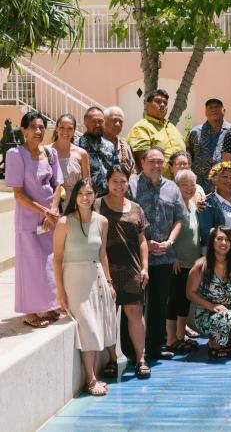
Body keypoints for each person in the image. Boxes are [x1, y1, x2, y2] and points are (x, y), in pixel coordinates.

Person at [53, 178, 117, 395]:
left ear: (95, 195)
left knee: (98, 325)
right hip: (75, 279)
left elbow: (103, 254)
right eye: (81, 193)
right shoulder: (65, 222)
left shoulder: (102, 222)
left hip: (97, 277)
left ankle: (94, 377)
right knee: (88, 326)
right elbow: (57, 258)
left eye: (89, 193)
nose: (85, 197)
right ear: (75, 196)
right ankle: (90, 380)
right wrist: (60, 290)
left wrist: (109, 282)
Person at [128, 147, 187, 359]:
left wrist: (170, 242)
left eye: (160, 162)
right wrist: (144, 241)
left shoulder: (172, 187)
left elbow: (180, 218)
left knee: (160, 303)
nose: (156, 166)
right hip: (137, 257)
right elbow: (125, 218)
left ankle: (156, 346)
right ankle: (132, 350)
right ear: (142, 162)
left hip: (164, 256)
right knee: (135, 305)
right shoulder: (131, 186)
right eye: (152, 161)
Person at [7, 111, 63, 328]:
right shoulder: (16, 154)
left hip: (50, 218)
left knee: (49, 263)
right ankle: (30, 312)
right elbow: (18, 193)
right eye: (33, 127)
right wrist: (44, 212)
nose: (38, 131)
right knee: (30, 266)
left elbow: (57, 185)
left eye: (41, 127)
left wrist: (54, 210)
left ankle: (49, 305)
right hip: (29, 220)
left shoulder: (51, 153)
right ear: (23, 130)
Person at [96, 166, 150, 378]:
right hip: (104, 269)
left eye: (123, 181)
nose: (119, 185)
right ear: (107, 182)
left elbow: (142, 240)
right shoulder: (97, 205)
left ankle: (140, 359)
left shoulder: (136, 208)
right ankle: (111, 359)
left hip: (132, 268)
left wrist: (145, 267)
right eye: (114, 181)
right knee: (109, 315)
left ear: (128, 183)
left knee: (135, 313)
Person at [187, 226, 231, 358]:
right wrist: (211, 306)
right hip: (207, 314)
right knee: (225, 317)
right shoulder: (201, 265)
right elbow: (190, 293)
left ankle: (228, 336)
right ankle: (214, 343)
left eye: (228, 240)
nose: (224, 243)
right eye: (219, 239)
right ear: (212, 241)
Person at [167, 169, 203, 354]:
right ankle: (171, 339)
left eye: (192, 184)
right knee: (174, 300)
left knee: (185, 300)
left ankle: (181, 336)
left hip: (192, 263)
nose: (189, 188)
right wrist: (172, 256)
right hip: (178, 262)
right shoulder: (173, 205)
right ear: (176, 186)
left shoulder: (193, 205)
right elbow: (167, 232)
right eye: (184, 184)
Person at [126, 89, 186, 175]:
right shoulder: (141, 127)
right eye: (157, 101)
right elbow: (143, 162)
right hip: (156, 184)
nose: (162, 105)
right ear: (147, 105)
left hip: (181, 182)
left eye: (165, 103)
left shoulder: (172, 128)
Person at [199, 161, 231, 262]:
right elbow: (206, 234)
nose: (229, 180)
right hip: (220, 257)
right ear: (214, 179)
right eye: (225, 177)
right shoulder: (208, 203)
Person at [186, 98, 231, 192]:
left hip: (225, 187)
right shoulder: (195, 133)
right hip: (199, 188)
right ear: (205, 111)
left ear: (224, 111)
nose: (213, 109)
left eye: (217, 107)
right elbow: (188, 158)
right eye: (210, 107)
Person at [49, 114, 90, 211]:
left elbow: (86, 183)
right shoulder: (47, 151)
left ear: (74, 130)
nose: (65, 131)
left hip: (75, 204)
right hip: (52, 204)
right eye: (62, 127)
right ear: (56, 128)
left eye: (70, 128)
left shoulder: (82, 154)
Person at [78, 106, 119, 195]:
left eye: (100, 121)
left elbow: (116, 170)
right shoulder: (76, 146)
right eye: (94, 121)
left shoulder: (110, 146)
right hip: (86, 198)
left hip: (109, 198)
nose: (97, 125)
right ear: (85, 122)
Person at [103, 106, 137, 175]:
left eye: (120, 121)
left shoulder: (124, 145)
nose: (118, 124)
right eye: (114, 120)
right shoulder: (95, 143)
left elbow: (133, 171)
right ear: (104, 122)